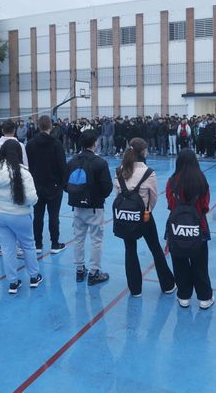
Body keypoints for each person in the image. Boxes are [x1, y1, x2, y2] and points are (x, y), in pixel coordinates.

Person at [115, 138, 176, 297]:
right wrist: (147, 210)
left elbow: (119, 194)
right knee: (155, 248)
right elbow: (153, 197)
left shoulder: (119, 171)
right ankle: (167, 284)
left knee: (130, 250)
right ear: (143, 152)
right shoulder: (148, 172)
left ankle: (135, 289)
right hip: (144, 216)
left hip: (126, 216)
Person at [0, 140, 42, 294]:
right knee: (28, 245)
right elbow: (32, 199)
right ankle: (34, 276)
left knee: (8, 248)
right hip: (20, 215)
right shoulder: (23, 173)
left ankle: (13, 282)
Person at [167, 148, 214, 309]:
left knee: (179, 261)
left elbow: (170, 204)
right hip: (198, 226)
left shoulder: (172, 181)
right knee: (200, 263)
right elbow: (206, 206)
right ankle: (204, 297)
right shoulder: (201, 180)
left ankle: (184, 295)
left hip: (176, 227)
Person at [66, 130, 113, 285]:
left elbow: (66, 184)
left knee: (78, 238)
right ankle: (94, 272)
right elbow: (107, 188)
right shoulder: (100, 162)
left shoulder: (72, 161)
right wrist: (97, 196)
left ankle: (80, 270)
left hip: (77, 207)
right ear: (94, 143)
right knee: (96, 240)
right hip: (95, 207)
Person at [26, 115, 68, 254]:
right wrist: (62, 184)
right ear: (50, 126)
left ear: (38, 126)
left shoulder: (30, 144)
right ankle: (54, 244)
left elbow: (27, 166)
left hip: (36, 185)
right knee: (53, 216)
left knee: (37, 216)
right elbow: (62, 166)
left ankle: (38, 244)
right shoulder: (56, 144)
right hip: (53, 186)